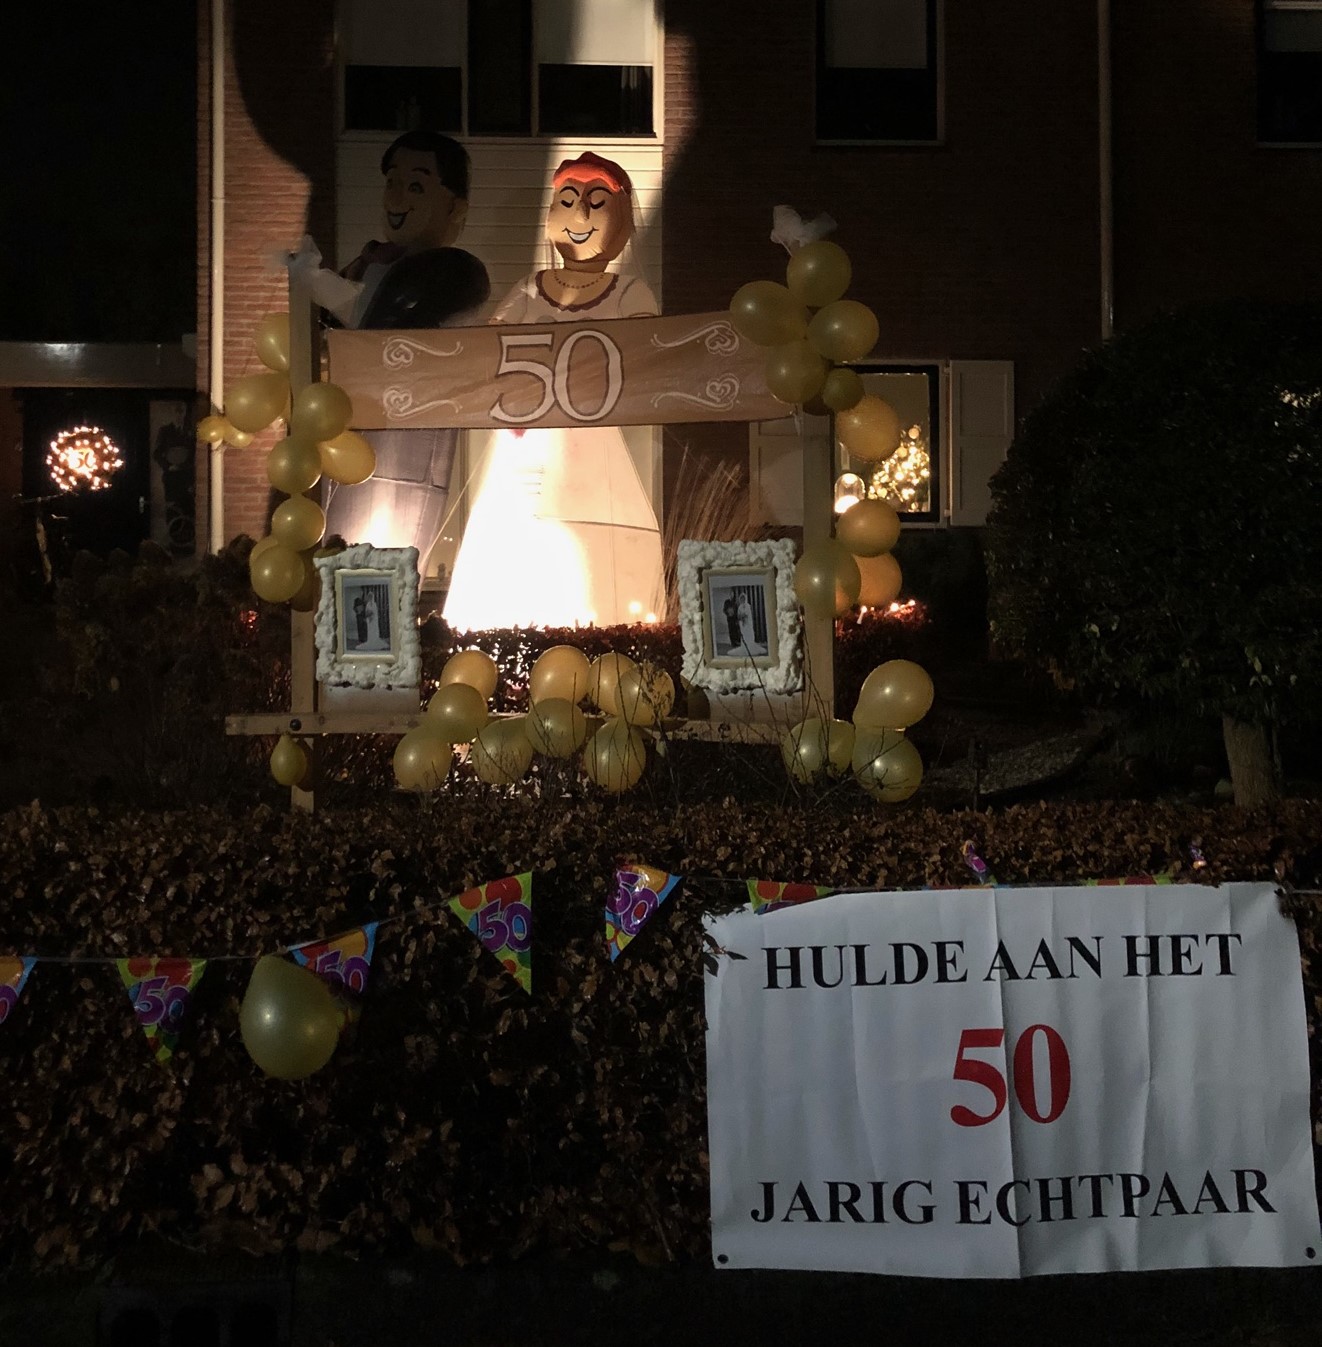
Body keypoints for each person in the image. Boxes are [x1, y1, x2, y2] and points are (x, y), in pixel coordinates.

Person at [442, 151, 664, 631]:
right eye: (566, 200)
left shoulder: (627, 293)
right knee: (513, 538)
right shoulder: (531, 287)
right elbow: (492, 342)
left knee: (592, 557)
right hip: (523, 441)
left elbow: (646, 349)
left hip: (592, 442)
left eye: (596, 203)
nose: (579, 215)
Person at [289, 130, 490, 560]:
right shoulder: (369, 264)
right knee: (344, 521)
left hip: (408, 421)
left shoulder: (454, 272)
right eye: (392, 182)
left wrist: (319, 284)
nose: (397, 198)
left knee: (391, 526)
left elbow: (378, 320)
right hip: (352, 420)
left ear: (455, 207)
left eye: (416, 186)